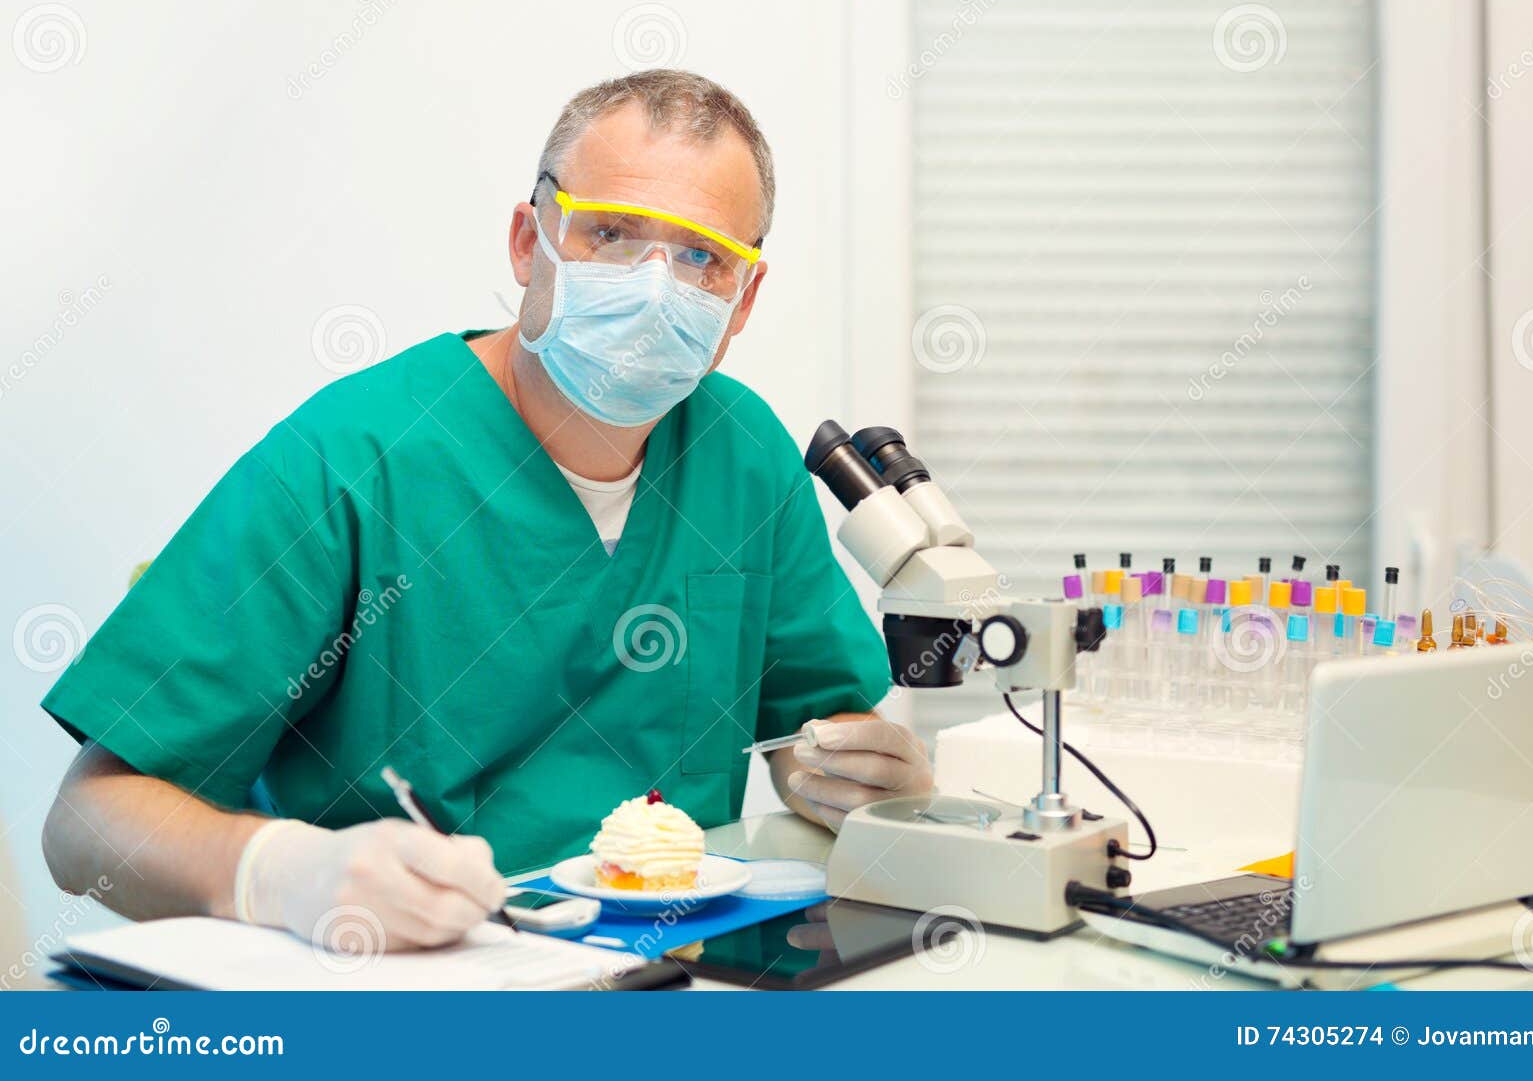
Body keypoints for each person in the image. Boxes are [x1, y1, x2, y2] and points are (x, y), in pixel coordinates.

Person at [39, 70, 933, 952]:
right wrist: (282, 871)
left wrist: (853, 774)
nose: (652, 286)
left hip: (676, 978)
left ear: (744, 299)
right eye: (610, 234)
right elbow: (84, 822)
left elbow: (806, 724)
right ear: (526, 240)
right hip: (408, 985)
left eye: (701, 257)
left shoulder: (742, 452)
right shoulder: (354, 458)